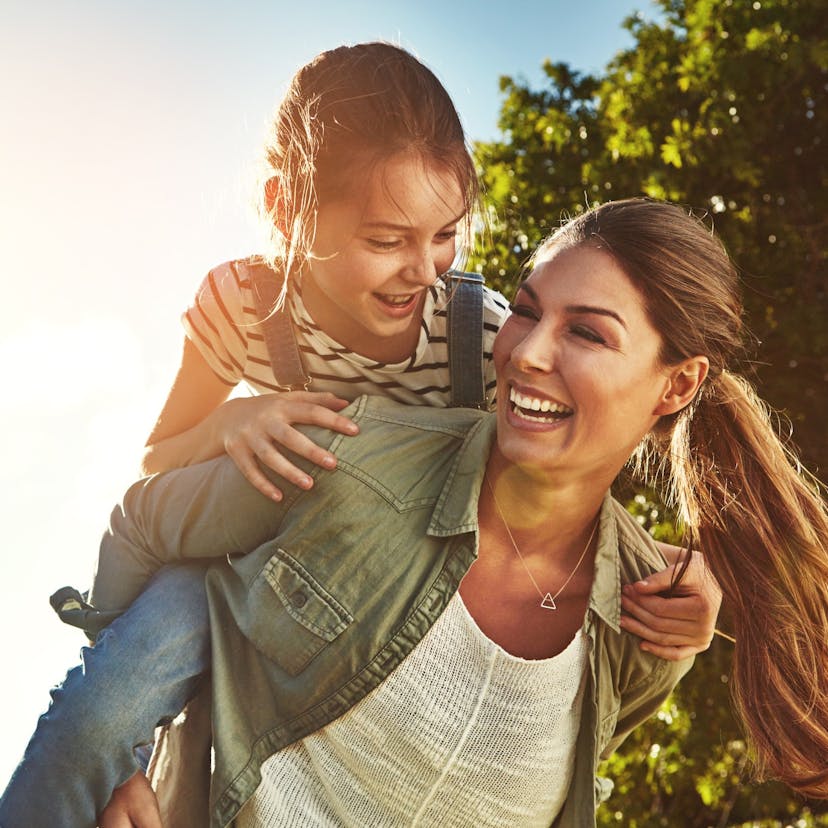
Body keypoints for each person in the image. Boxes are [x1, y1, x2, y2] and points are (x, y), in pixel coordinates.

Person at [0, 41, 716, 827]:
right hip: (231, 559)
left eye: (445, 234)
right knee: (93, 723)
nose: (426, 269)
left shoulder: (479, 336)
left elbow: (562, 476)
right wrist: (233, 420)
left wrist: (689, 583)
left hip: (370, 577)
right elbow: (158, 460)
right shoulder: (246, 305)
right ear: (286, 209)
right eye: (387, 240)